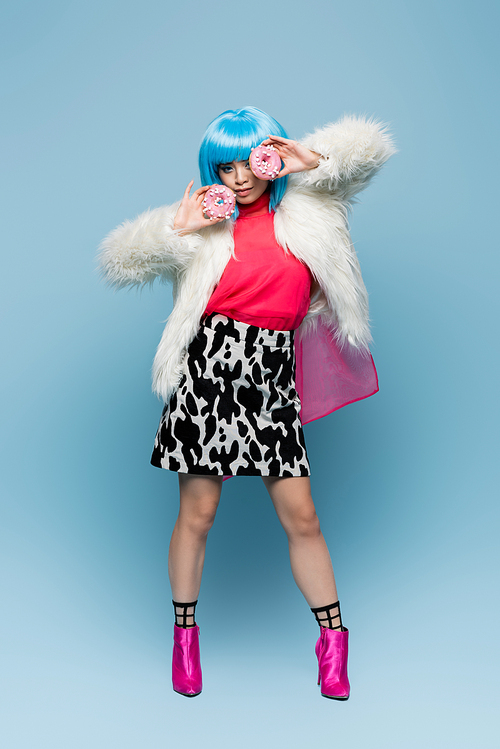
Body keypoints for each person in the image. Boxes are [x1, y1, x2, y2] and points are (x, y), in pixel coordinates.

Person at [99, 106, 395, 700]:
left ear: (269, 158)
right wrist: (171, 232)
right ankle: (185, 638)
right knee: (198, 516)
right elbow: (119, 261)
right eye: (225, 165)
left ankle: (333, 641)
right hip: (209, 370)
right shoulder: (203, 222)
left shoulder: (310, 208)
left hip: (269, 374)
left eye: (249, 161)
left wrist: (316, 161)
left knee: (302, 517)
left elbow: (370, 153)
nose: (238, 177)